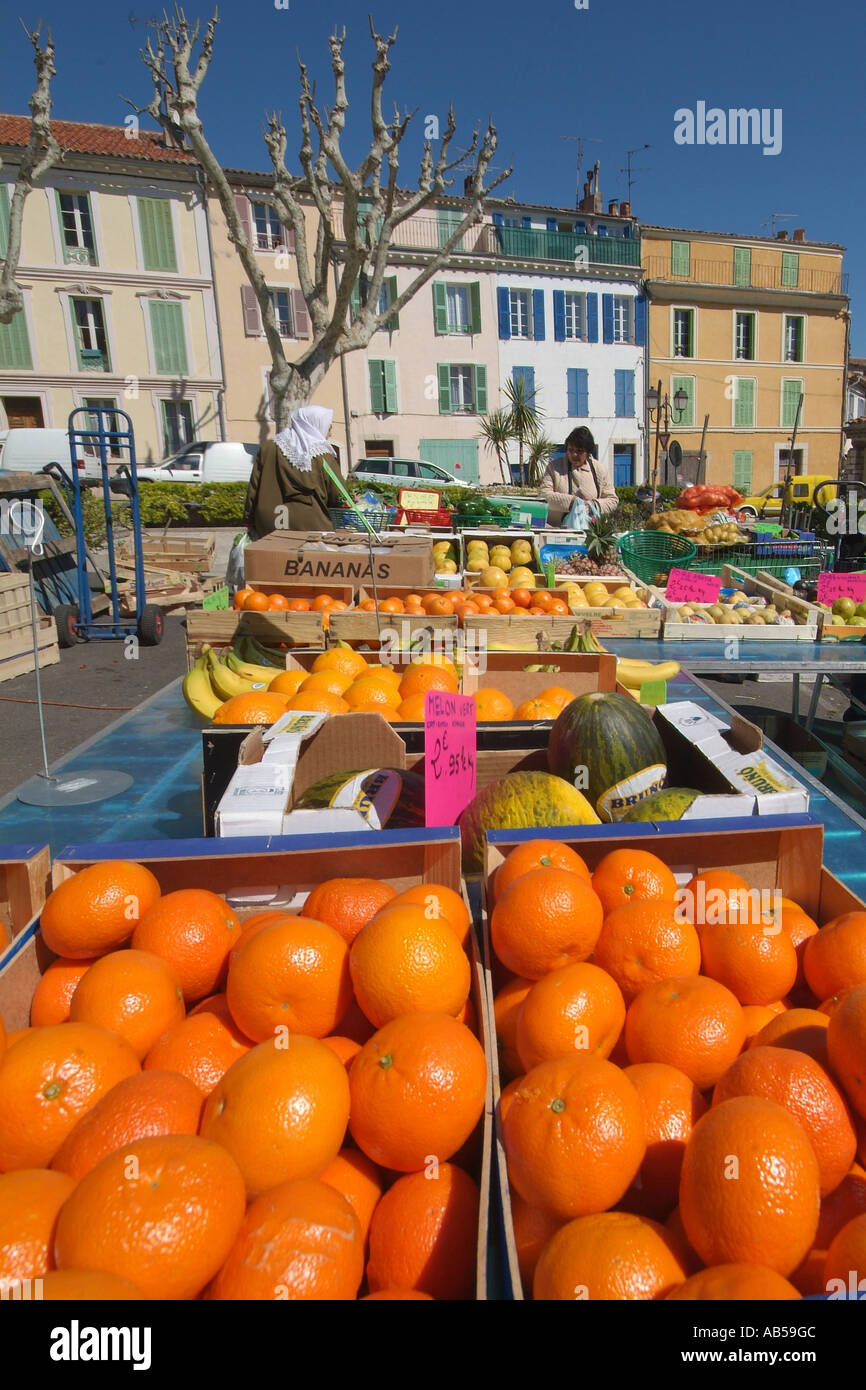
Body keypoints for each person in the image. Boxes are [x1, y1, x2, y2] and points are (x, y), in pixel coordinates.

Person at [242, 404, 344, 537]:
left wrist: (248, 519)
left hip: (268, 524)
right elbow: (339, 495)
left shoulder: (268, 447)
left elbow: (254, 488)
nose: (330, 433)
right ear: (315, 425)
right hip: (311, 527)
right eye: (328, 427)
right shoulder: (322, 455)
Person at [539, 426, 618, 524]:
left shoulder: (600, 470)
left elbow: (612, 500)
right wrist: (572, 501)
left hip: (590, 531)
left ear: (588, 452)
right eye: (570, 450)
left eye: (579, 451)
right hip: (559, 530)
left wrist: (593, 505)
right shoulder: (554, 468)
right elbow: (544, 495)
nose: (574, 455)